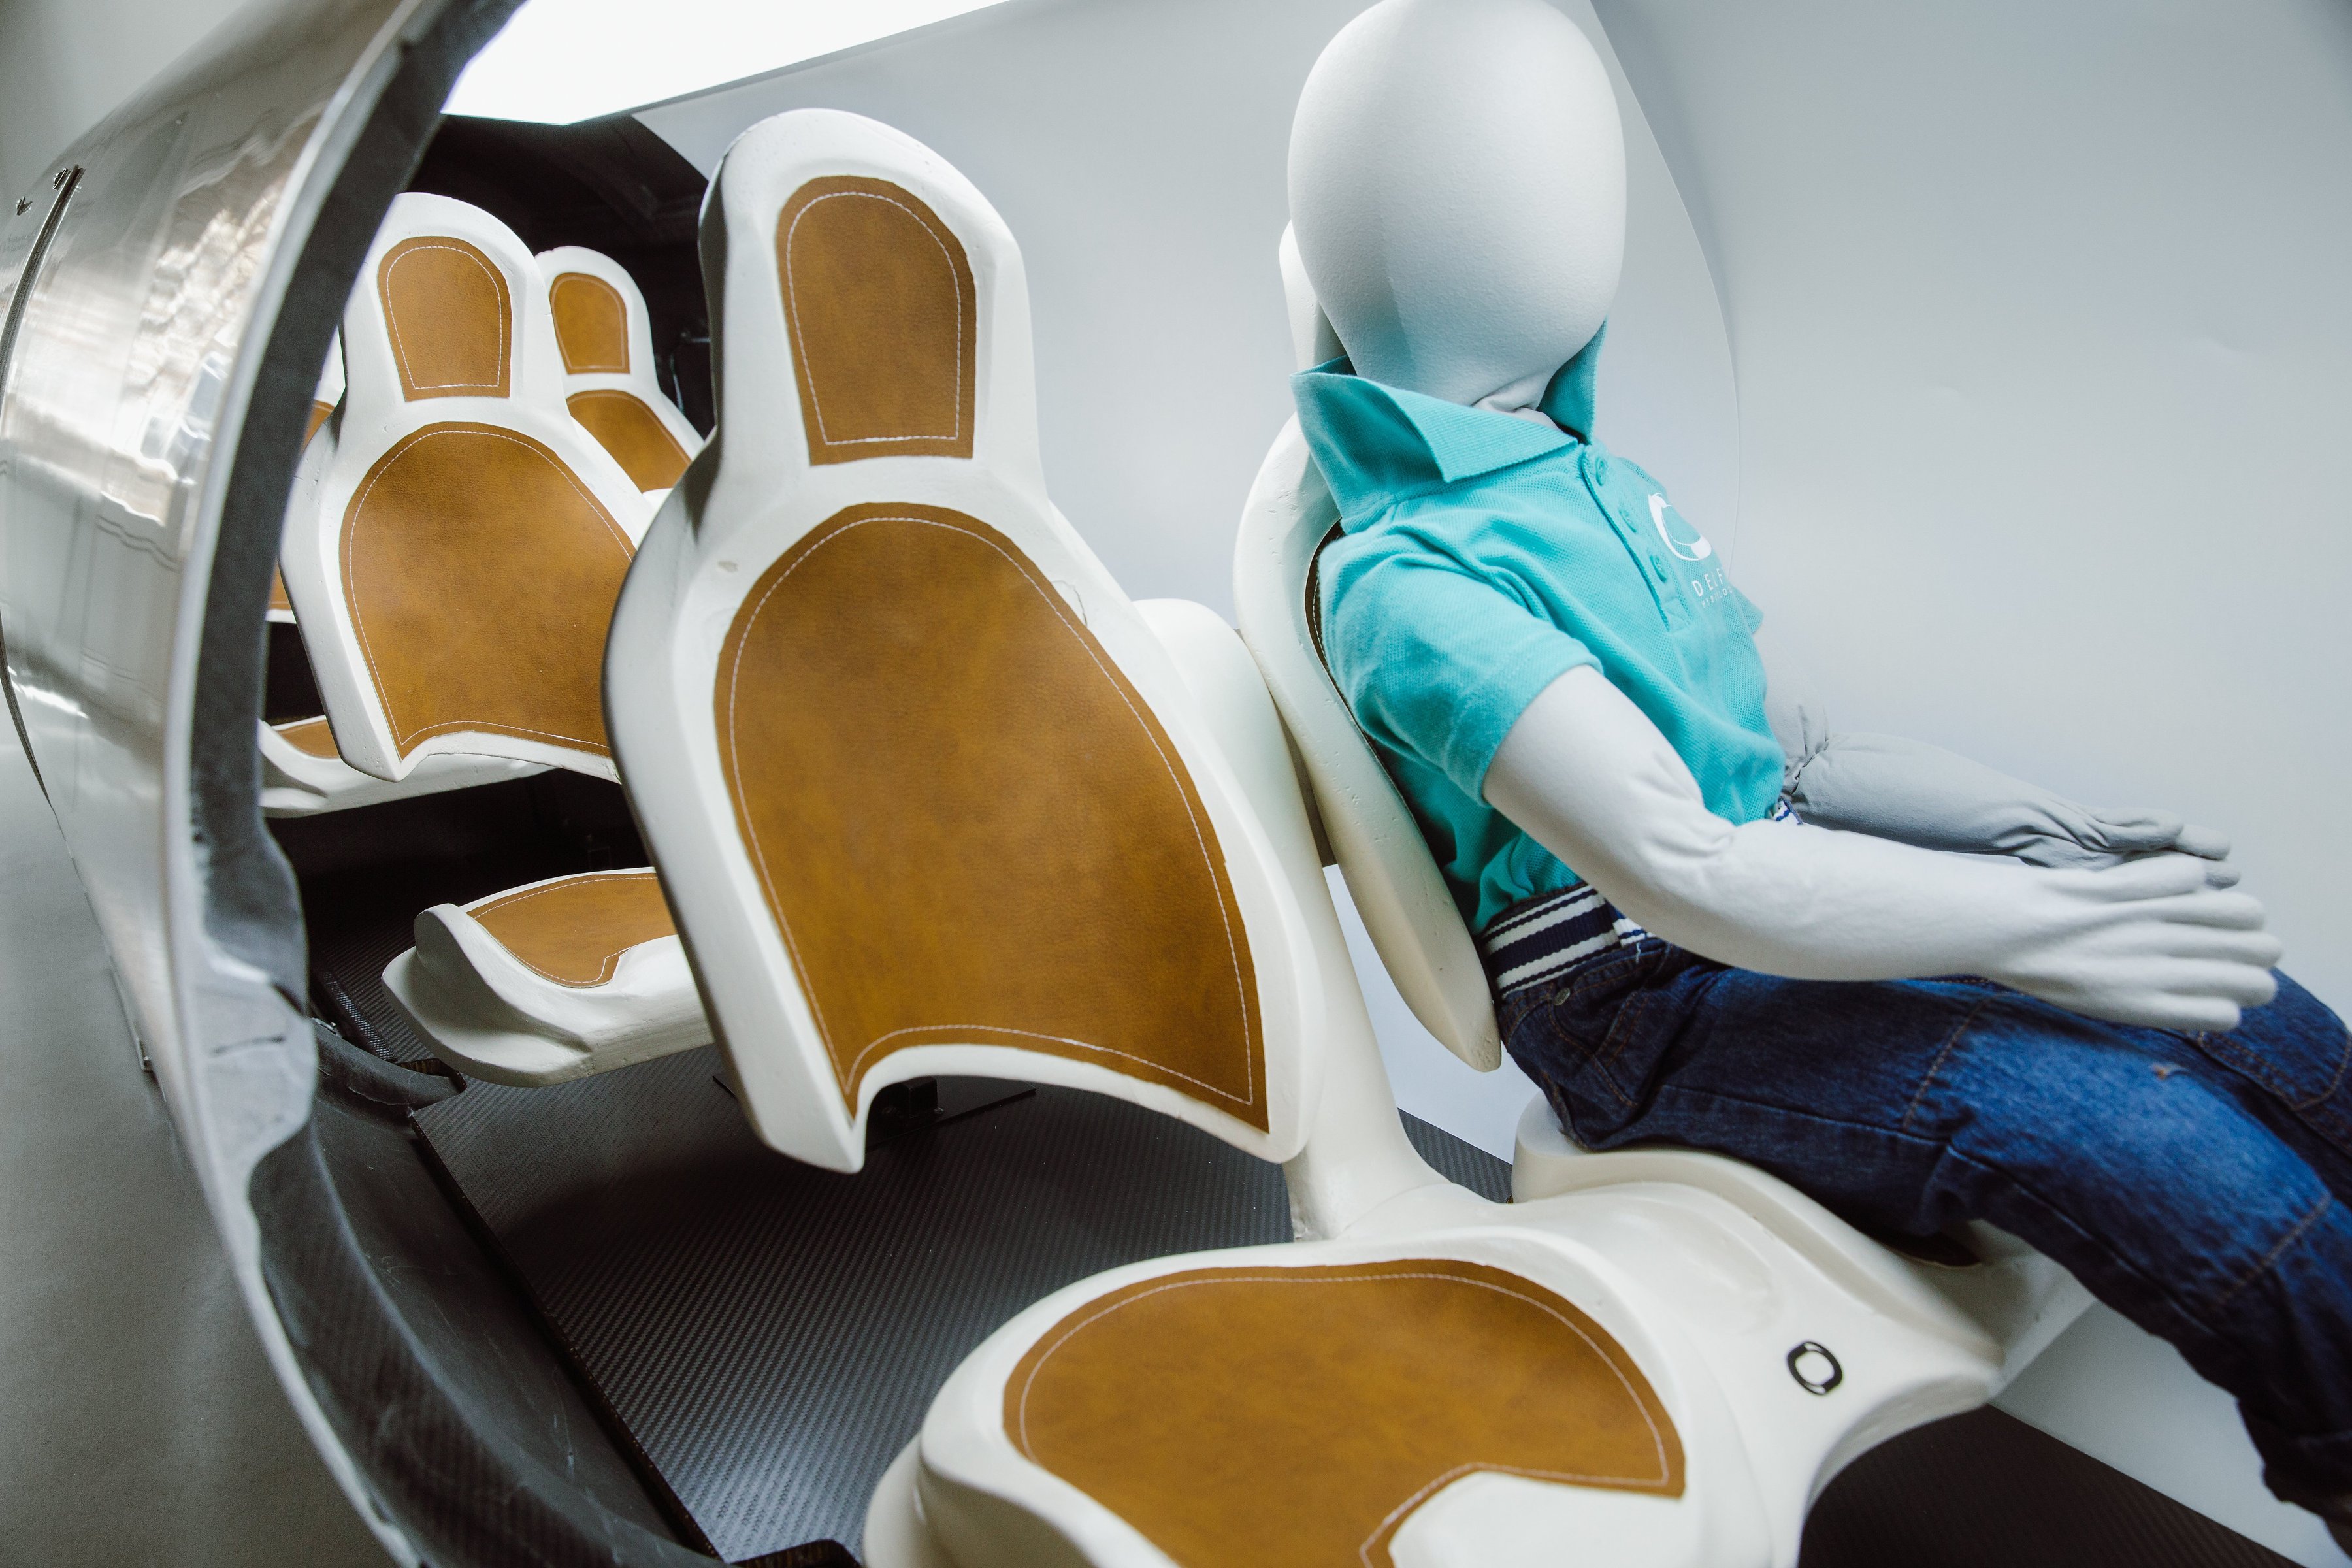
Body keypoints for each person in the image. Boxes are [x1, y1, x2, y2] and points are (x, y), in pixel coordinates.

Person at [1288, 0, 2352, 1541]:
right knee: (2157, 1151)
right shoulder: (1403, 580)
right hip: (1641, 1004)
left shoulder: (1601, 485)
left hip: (1771, 910)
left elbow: (1806, 759)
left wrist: (2034, 835)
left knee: (2250, 1005)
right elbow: (1689, 868)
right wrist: (2028, 931)